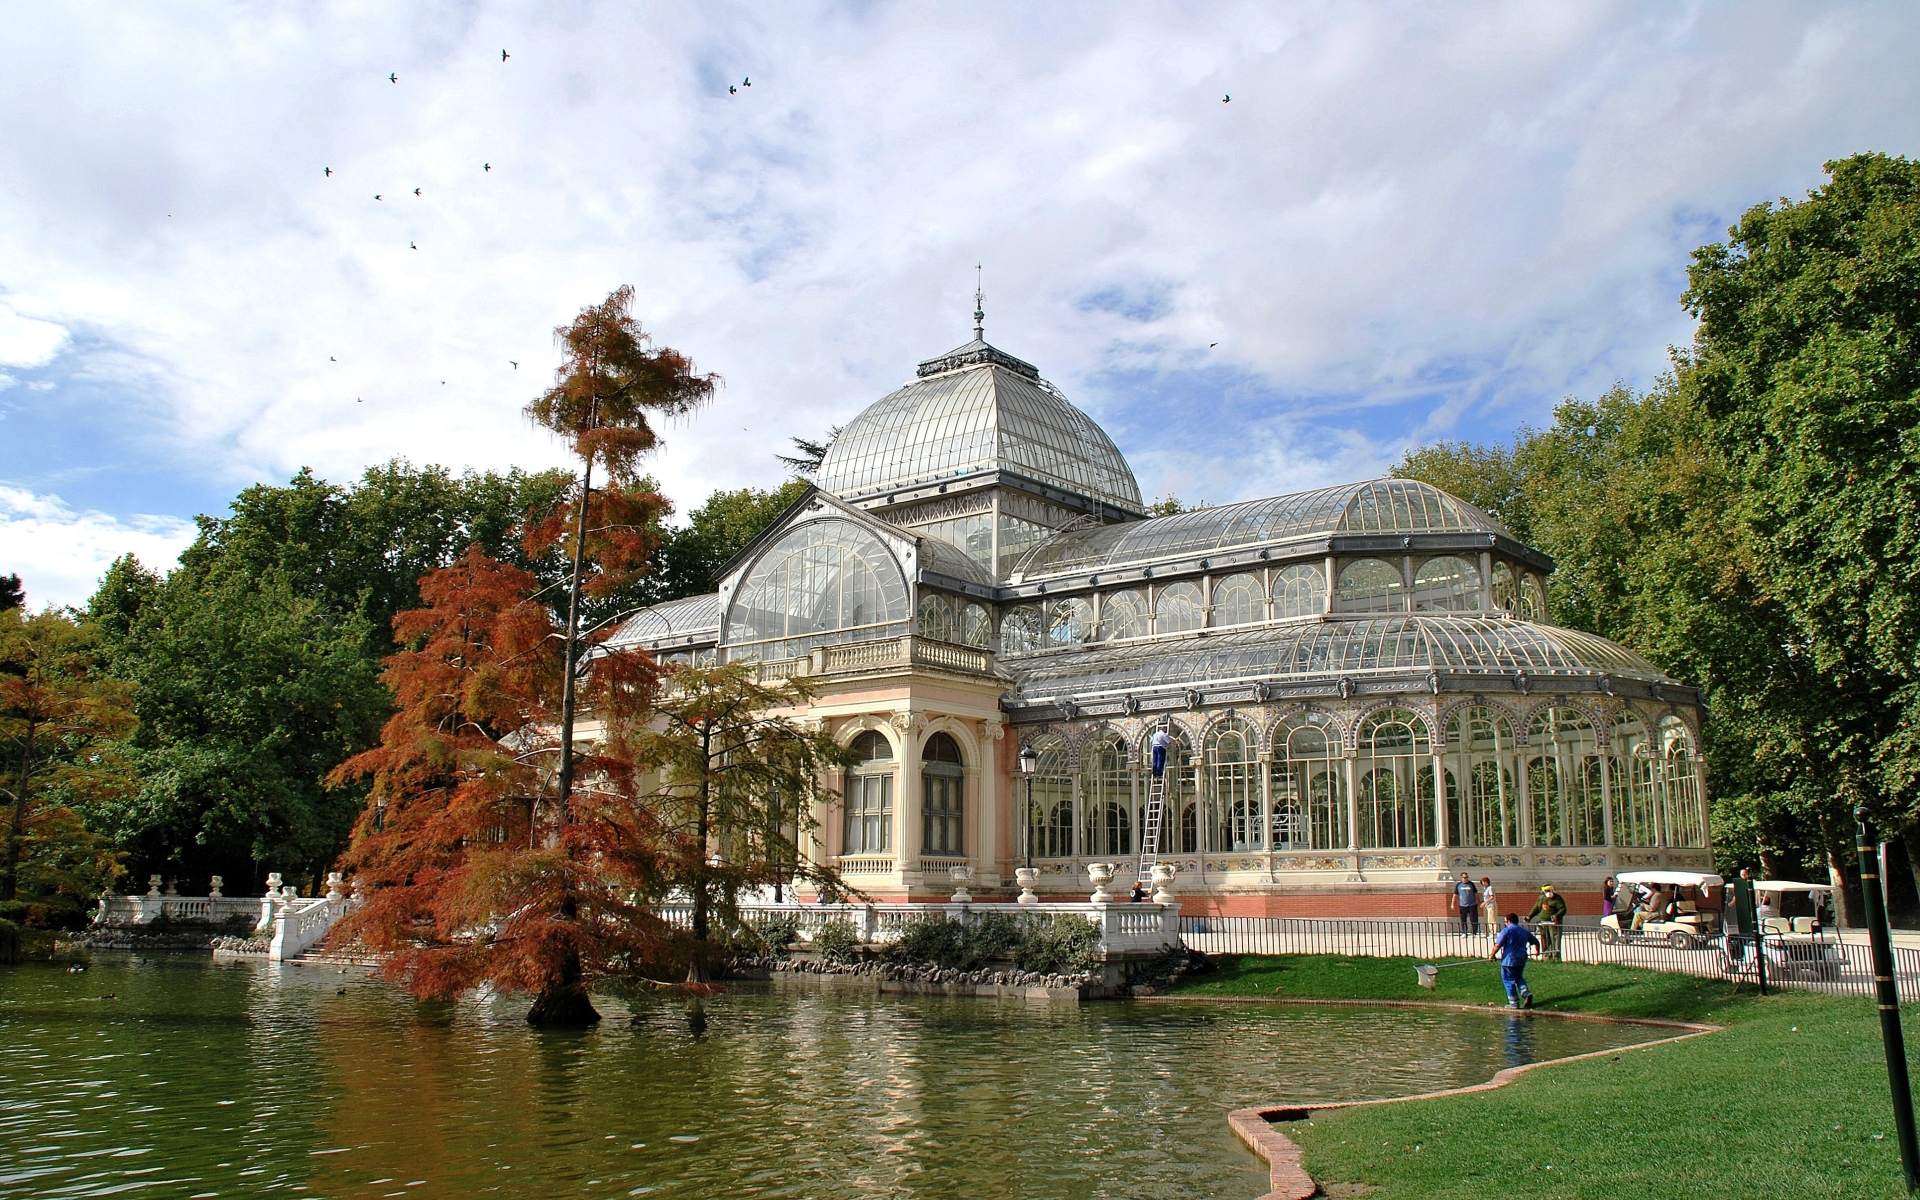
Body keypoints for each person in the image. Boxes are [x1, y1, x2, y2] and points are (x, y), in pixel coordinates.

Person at [1490, 912, 1538, 1009]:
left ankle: (1514, 1002)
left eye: (1505, 921)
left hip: (1509, 960)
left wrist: (1492, 955)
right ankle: (1525, 992)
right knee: (1518, 976)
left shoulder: (1506, 931)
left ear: (1508, 921)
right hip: (1521, 959)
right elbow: (1536, 941)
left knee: (1508, 980)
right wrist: (1538, 951)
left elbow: (1498, 945)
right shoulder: (1524, 931)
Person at [1528, 885, 1567, 960]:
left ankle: (1556, 957)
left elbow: (1563, 909)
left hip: (1554, 923)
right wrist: (1529, 916)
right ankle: (1546, 957)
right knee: (1545, 939)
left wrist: (1557, 916)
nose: (1549, 892)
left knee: (1555, 939)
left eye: (1550, 890)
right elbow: (1536, 908)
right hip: (1543, 923)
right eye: (1546, 891)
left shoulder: (1557, 898)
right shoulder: (1541, 898)